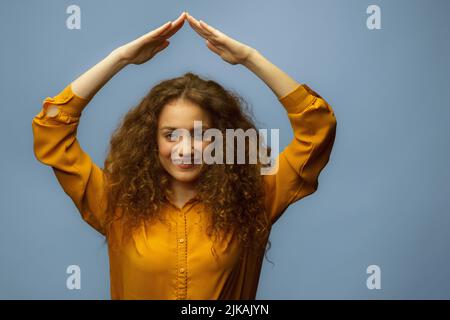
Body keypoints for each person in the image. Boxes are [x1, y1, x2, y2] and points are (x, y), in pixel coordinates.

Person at [31, 11, 337, 299]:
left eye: (201, 135)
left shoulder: (254, 198)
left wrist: (250, 59)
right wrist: (119, 58)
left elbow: (317, 128)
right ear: (150, 140)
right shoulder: (115, 203)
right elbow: (52, 127)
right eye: (170, 135)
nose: (185, 149)